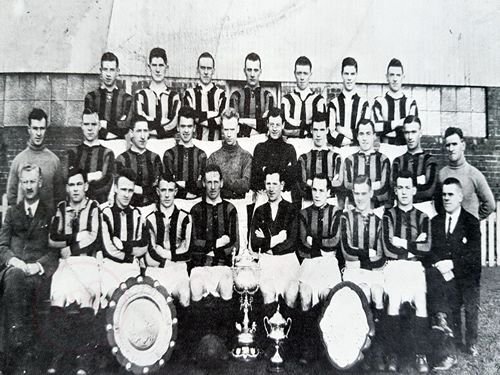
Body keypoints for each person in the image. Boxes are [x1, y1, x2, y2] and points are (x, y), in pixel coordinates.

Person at [0, 164, 57, 374]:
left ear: (40, 183)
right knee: (14, 277)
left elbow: (54, 252)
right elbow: (2, 246)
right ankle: (18, 345)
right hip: (13, 271)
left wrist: (37, 266)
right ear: (21, 184)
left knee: (20, 286)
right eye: (25, 182)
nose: (29, 186)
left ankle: (16, 351)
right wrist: (14, 261)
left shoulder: (49, 214)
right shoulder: (12, 213)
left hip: (36, 275)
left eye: (33, 181)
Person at [46, 167, 101, 375]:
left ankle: (83, 358)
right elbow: (52, 239)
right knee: (58, 297)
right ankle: (58, 354)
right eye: (71, 185)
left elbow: (94, 237)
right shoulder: (61, 208)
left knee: (86, 298)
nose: (75, 189)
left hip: (87, 263)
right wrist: (76, 237)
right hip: (66, 265)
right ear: (67, 188)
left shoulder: (94, 207)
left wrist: (68, 245)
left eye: (79, 184)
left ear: (86, 187)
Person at [427, 178, 481, 370]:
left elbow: (474, 256)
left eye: (451, 194)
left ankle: (471, 341)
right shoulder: (435, 222)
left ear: (460, 197)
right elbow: (430, 250)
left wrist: (452, 265)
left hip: (465, 276)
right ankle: (445, 333)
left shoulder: (471, 222)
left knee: (468, 300)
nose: (447, 198)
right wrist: (439, 264)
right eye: (444, 195)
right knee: (435, 282)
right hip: (443, 274)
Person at [381, 171, 431, 373]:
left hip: (414, 266)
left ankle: (421, 354)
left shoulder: (423, 217)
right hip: (394, 265)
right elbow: (387, 248)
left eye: (407, 187)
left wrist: (402, 242)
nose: (403, 192)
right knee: (393, 299)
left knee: (421, 301)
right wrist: (413, 245)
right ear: (395, 190)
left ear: (414, 190)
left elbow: (426, 248)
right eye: (399, 187)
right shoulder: (388, 215)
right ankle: (392, 354)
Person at [339, 175, 385, 371]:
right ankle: (359, 350)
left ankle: (378, 350)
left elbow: (382, 254)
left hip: (372, 270)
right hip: (353, 271)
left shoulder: (379, 220)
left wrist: (362, 258)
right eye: (356, 193)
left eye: (363, 193)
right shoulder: (346, 217)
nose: (359, 198)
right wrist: (368, 254)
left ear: (371, 193)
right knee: (361, 293)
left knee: (378, 293)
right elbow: (347, 250)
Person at [297, 174, 342, 363]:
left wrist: (313, 241)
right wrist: (321, 248)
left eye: (321, 190)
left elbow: (334, 241)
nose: (317, 194)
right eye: (314, 189)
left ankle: (326, 347)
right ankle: (308, 348)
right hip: (309, 263)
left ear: (329, 192)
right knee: (305, 294)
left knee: (327, 295)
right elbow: (301, 243)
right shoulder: (304, 213)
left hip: (330, 264)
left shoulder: (337, 213)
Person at [250, 166, 299, 308]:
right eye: (268, 184)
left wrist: (269, 245)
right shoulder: (260, 211)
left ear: (282, 185)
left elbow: (292, 241)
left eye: (275, 184)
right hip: (267, 261)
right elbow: (254, 243)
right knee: (268, 293)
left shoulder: (291, 209)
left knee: (291, 294)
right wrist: (276, 239)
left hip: (287, 261)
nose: (271, 188)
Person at [189, 164, 239, 301]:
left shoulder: (230, 209)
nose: (212, 187)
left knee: (227, 286)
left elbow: (235, 245)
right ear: (204, 183)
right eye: (209, 182)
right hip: (200, 267)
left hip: (223, 267)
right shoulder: (196, 210)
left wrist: (212, 251)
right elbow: (194, 243)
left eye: (216, 182)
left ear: (221, 183)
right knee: (195, 286)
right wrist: (217, 243)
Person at [100, 168, 148, 304]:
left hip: (131, 268)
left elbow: (143, 246)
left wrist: (122, 245)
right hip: (110, 267)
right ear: (115, 188)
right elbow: (108, 249)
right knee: (117, 300)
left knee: (134, 303)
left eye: (130, 190)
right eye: (123, 190)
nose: (127, 195)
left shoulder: (137, 215)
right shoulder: (105, 213)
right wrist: (130, 255)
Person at [145, 173, 191, 308]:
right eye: (163, 190)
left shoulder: (185, 217)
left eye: (170, 190)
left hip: (178, 270)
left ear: (175, 192)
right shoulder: (149, 219)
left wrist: (166, 254)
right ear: (158, 191)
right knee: (154, 303)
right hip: (156, 270)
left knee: (185, 296)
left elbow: (188, 252)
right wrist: (172, 258)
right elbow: (150, 253)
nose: (166, 195)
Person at [207, 108, 252, 246]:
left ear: (238, 129)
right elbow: (210, 186)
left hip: (239, 208)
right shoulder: (214, 157)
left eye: (232, 129)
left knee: (239, 250)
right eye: (226, 129)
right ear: (221, 129)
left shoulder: (246, 156)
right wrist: (232, 185)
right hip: (218, 207)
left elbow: (245, 185)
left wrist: (222, 181)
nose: (229, 134)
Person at [6, 108, 64, 211]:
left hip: (46, 222)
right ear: (29, 129)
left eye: (42, 128)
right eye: (35, 128)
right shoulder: (18, 160)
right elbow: (11, 196)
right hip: (23, 223)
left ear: (46, 129)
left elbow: (59, 197)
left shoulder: (54, 161)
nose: (38, 133)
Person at [435, 127, 495, 220]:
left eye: (454, 144)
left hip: (469, 232)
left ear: (463, 145)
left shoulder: (474, 174)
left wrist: (473, 220)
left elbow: (490, 204)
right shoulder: (442, 174)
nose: (451, 149)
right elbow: (438, 204)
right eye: (448, 145)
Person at [250, 107, 297, 207]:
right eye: (272, 124)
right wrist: (282, 170)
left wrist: (266, 169)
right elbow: (255, 180)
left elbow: (292, 179)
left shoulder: (289, 149)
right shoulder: (260, 148)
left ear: (283, 125)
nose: (274, 128)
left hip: (284, 195)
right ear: (267, 124)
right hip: (264, 196)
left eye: (278, 125)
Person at [115, 115, 163, 213]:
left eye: (145, 131)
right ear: (132, 133)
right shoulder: (121, 159)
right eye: (138, 131)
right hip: (128, 210)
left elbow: (158, 189)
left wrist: (140, 190)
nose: (142, 136)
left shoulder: (155, 158)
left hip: (151, 208)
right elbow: (120, 190)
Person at [67, 108, 115, 204]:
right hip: (77, 207)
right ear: (81, 126)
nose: (90, 128)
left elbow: (106, 184)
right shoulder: (73, 153)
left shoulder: (107, 153)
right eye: (86, 124)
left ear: (99, 126)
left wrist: (81, 182)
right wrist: (93, 176)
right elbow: (68, 181)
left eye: (93, 124)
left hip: (99, 206)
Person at [391, 116, 437, 212]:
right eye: (407, 132)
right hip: (402, 210)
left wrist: (404, 188)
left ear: (420, 133)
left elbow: (429, 191)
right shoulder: (398, 161)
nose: (410, 137)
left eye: (413, 132)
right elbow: (393, 187)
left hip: (425, 209)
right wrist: (417, 183)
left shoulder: (429, 160)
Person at [343, 119, 391, 210]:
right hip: (355, 209)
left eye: (368, 134)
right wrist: (375, 185)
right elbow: (349, 186)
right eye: (361, 134)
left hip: (378, 209)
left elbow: (384, 188)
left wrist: (361, 189)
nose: (364, 138)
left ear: (374, 136)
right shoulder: (350, 160)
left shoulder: (383, 160)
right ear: (357, 136)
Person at [84, 52, 133, 139]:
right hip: (98, 145)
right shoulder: (91, 97)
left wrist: (104, 124)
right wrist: (113, 131)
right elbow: (90, 127)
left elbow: (126, 126)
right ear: (100, 71)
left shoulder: (127, 98)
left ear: (117, 72)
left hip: (120, 146)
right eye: (105, 69)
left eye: (112, 70)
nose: (108, 74)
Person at [163, 106, 206, 204]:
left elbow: (203, 184)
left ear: (194, 128)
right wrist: (186, 193)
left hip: (197, 203)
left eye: (189, 126)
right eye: (183, 126)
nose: (186, 131)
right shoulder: (169, 154)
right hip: (174, 203)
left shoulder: (201, 155)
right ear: (178, 127)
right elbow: (167, 184)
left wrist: (183, 184)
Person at [134, 47, 180, 138]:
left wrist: (151, 125)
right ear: (149, 67)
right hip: (147, 144)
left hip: (169, 144)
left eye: (161, 65)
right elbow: (140, 120)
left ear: (166, 68)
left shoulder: (174, 96)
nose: (158, 70)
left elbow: (174, 123)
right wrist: (162, 121)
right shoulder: (141, 95)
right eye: (154, 65)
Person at [298, 116, 342, 204]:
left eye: (322, 130)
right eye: (315, 130)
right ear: (311, 130)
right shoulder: (303, 158)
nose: (318, 134)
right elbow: (301, 183)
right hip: (308, 202)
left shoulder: (336, 157)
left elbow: (339, 182)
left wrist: (311, 183)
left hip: (330, 202)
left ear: (327, 130)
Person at [372, 58, 418, 145]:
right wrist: (402, 122)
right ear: (387, 77)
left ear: (403, 77)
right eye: (392, 75)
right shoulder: (379, 102)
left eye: (398, 75)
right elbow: (377, 128)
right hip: (385, 151)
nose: (395, 79)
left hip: (405, 150)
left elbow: (412, 128)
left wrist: (387, 127)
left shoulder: (410, 103)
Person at [229, 52, 275, 136]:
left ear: (260, 71)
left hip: (262, 142)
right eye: (249, 70)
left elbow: (268, 124)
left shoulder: (268, 96)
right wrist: (255, 129)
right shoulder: (236, 96)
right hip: (242, 141)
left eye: (256, 70)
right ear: (244, 71)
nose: (252, 74)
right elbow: (233, 124)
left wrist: (242, 120)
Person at [327, 57, 370, 147]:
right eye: (346, 74)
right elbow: (330, 134)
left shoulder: (364, 104)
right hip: (338, 151)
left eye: (352, 74)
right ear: (342, 75)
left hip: (358, 152)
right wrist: (352, 140)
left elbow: (363, 133)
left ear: (356, 75)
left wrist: (340, 129)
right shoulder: (334, 104)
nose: (349, 78)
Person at [183, 52, 227, 141]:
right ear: (197, 70)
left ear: (213, 71)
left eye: (209, 68)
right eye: (203, 68)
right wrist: (212, 114)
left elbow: (222, 120)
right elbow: (190, 118)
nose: (206, 72)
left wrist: (199, 117)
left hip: (215, 145)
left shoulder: (221, 94)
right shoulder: (189, 93)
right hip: (195, 143)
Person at [281, 56, 326, 138]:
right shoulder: (286, 99)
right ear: (294, 74)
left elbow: (320, 126)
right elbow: (284, 128)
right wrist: (306, 126)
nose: (302, 78)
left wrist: (295, 126)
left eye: (305, 73)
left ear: (310, 75)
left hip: (312, 144)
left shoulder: (319, 100)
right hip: (291, 144)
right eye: (299, 73)